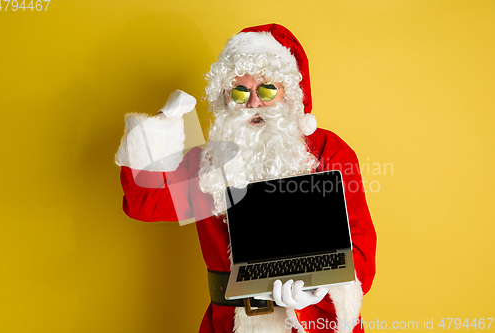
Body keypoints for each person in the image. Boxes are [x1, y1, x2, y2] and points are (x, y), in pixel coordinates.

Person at [115, 24, 376, 333]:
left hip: (318, 325)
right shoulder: (207, 164)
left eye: (266, 90)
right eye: (241, 92)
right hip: (233, 325)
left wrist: (320, 287)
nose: (254, 103)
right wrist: (163, 124)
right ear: (226, 98)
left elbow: (361, 245)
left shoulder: (327, 150)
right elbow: (142, 202)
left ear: (288, 94)